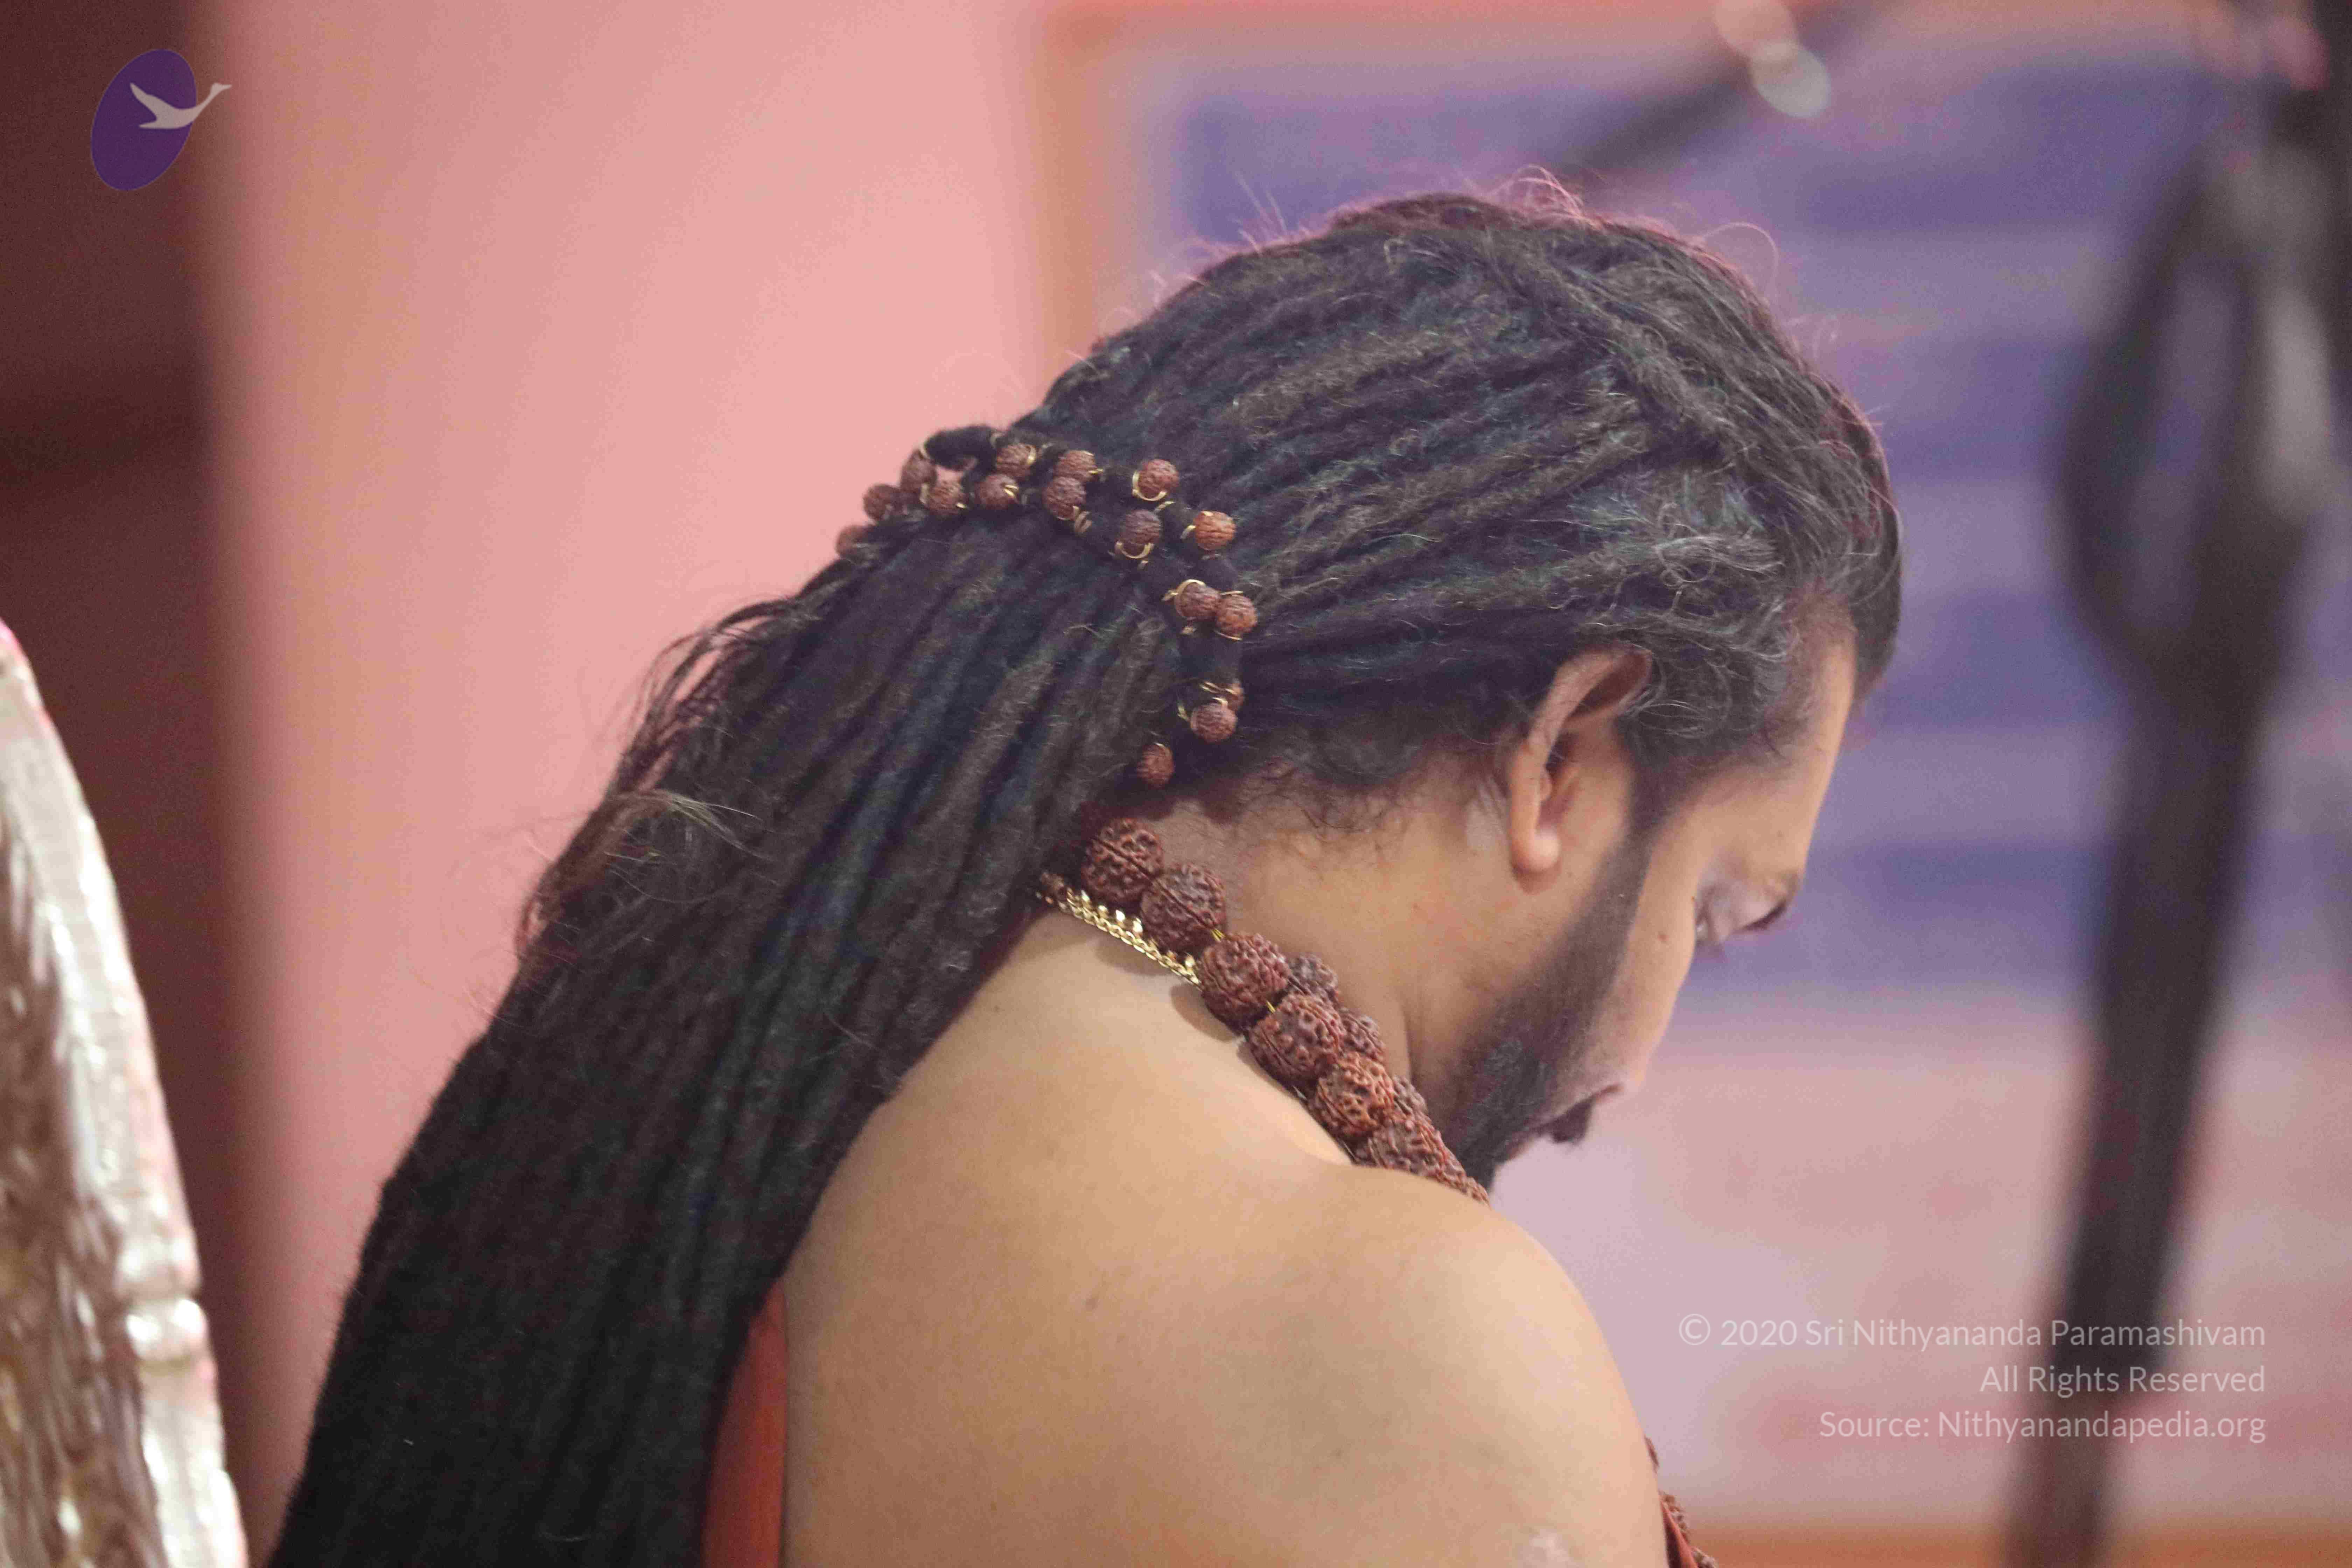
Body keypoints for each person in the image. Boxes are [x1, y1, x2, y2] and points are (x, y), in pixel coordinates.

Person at [271, 186, 1900, 1567]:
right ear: (1562, 753)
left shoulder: (761, 1116)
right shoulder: (1405, 1332)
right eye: (1713, 911)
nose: (1630, 1071)